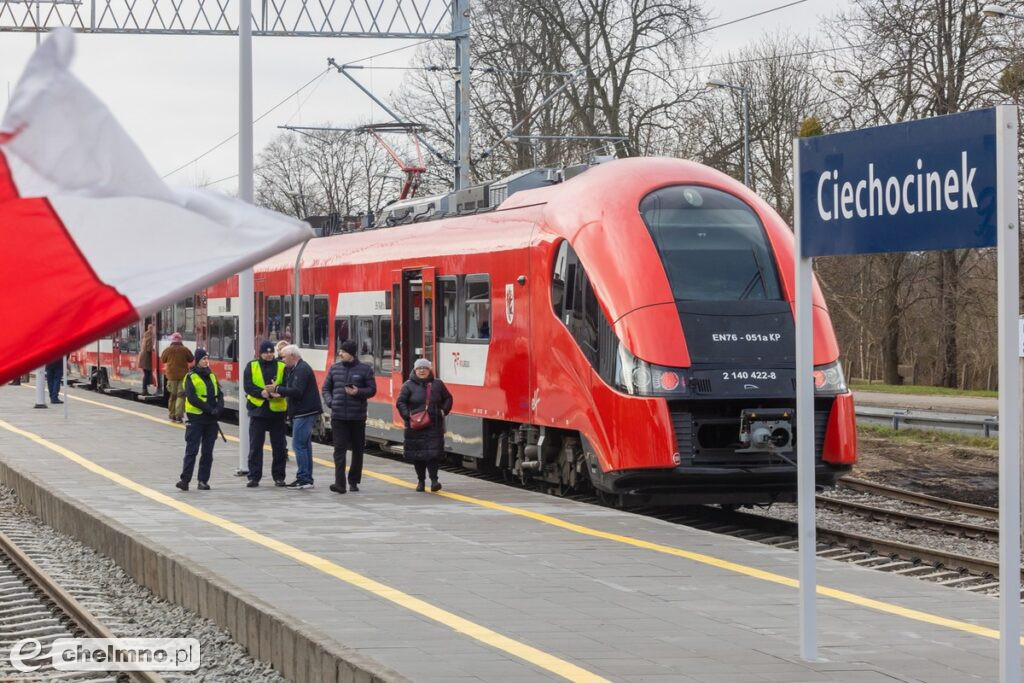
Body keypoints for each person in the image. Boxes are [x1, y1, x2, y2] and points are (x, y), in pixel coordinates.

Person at [321, 339, 376, 494]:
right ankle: (340, 484)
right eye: (340, 351)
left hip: (357, 417)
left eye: (343, 352)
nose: (340, 354)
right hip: (338, 416)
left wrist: (357, 392)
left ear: (350, 353)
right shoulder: (334, 369)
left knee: (358, 450)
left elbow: (372, 390)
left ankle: (353, 480)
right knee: (339, 450)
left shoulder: (365, 369)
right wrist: (331, 402)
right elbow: (325, 388)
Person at [396, 358, 452, 492]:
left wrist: (443, 411)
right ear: (415, 370)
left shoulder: (438, 384)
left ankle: (434, 481)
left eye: (425, 368)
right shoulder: (408, 385)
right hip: (415, 426)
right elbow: (400, 402)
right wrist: (408, 416)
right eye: (419, 368)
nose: (422, 370)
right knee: (418, 456)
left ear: (429, 370)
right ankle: (421, 481)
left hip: (434, 424)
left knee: (433, 455)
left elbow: (448, 398)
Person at [274, 345, 322, 489]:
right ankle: (306, 477)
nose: (282, 360)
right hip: (303, 411)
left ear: (292, 356)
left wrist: (277, 389)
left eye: (283, 357)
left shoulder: (301, 370)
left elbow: (297, 391)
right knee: (305, 445)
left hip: (304, 412)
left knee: (298, 445)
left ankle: (304, 478)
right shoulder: (296, 369)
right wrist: (281, 392)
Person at [176, 348, 223, 492]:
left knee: (208, 452)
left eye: (207, 358)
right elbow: (193, 398)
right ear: (197, 360)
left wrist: (219, 409)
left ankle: (203, 480)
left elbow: (219, 395)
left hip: (211, 421)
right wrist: (210, 409)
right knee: (192, 451)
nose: (206, 361)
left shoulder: (212, 376)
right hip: (196, 419)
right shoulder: (190, 377)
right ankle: (185, 480)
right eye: (203, 359)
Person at [243, 340, 289, 487]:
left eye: (271, 352)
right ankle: (254, 476)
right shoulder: (252, 365)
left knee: (279, 447)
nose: (269, 355)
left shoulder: (282, 366)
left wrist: (278, 391)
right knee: (255, 446)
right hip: (258, 411)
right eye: (266, 352)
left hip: (277, 412)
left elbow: (287, 385)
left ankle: (279, 476)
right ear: (260, 353)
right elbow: (248, 385)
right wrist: (261, 393)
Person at [160, 332, 194, 422]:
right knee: (181, 396)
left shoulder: (168, 350)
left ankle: (172, 415)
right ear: (180, 340)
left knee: (173, 396)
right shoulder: (184, 349)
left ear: (172, 340)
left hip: (171, 376)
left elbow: (163, 359)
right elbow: (191, 359)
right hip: (183, 376)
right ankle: (179, 415)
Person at [138, 322, 155, 395]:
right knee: (147, 374)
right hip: (146, 358)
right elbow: (149, 348)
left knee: (147, 374)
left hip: (145, 358)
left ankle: (145, 390)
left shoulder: (146, 334)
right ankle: (144, 390)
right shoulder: (149, 335)